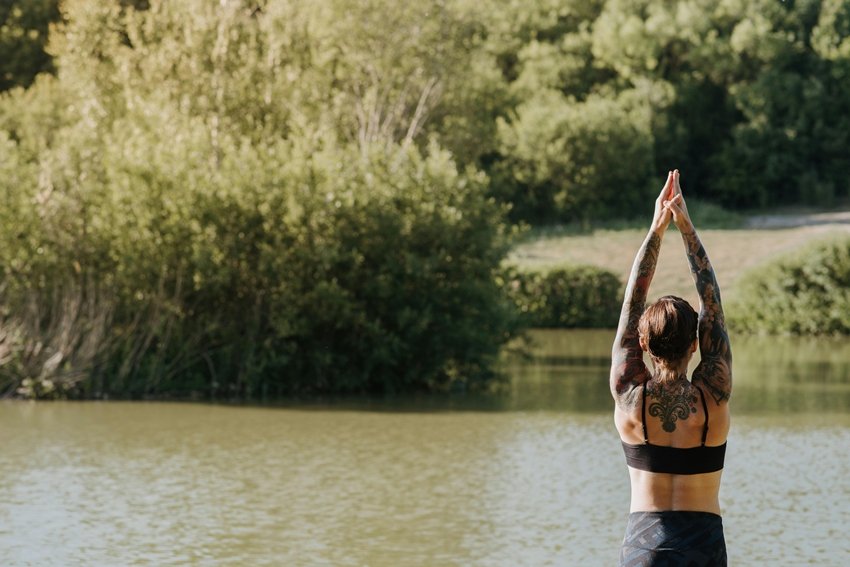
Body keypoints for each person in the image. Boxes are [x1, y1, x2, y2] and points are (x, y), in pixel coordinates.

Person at [610, 170, 732, 566]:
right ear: (695, 345)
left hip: (644, 549)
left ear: (643, 344)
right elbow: (712, 305)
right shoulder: (713, 397)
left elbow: (632, 305)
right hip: (703, 549)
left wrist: (656, 230)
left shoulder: (630, 396)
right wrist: (687, 229)